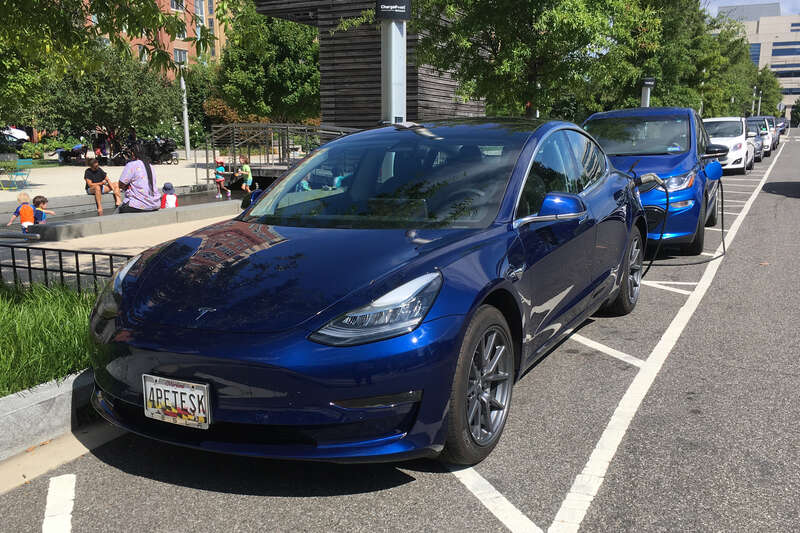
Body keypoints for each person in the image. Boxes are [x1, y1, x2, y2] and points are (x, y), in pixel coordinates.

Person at [118, 143, 161, 213]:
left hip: (138, 204)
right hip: (155, 204)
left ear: (133, 153)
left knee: (119, 210)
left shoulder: (131, 165)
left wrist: (127, 186)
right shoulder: (150, 166)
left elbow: (121, 184)